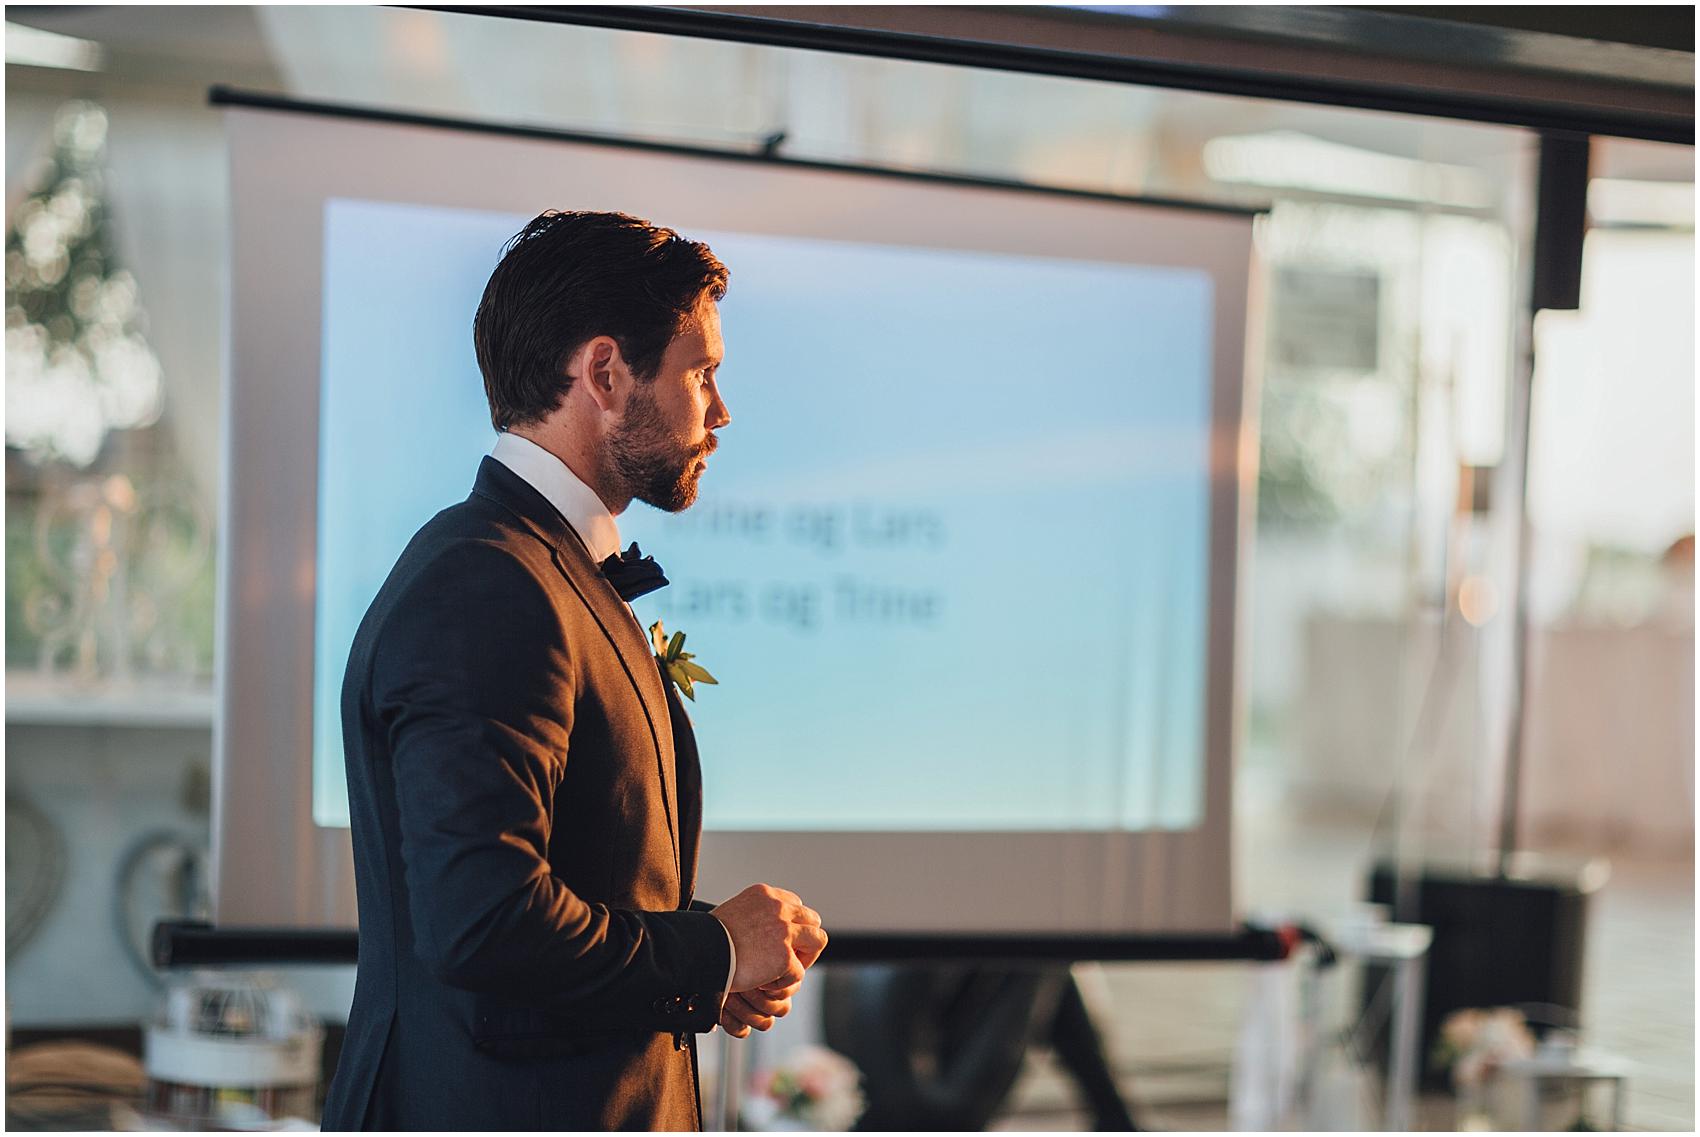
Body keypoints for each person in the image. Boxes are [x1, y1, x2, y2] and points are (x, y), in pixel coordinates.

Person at [320, 211, 828, 1130]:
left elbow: (564, 880)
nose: (719, 410)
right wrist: (708, 951)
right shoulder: (488, 584)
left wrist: (714, 961)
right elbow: (485, 920)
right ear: (604, 372)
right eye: (700, 371)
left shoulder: (534, 568)